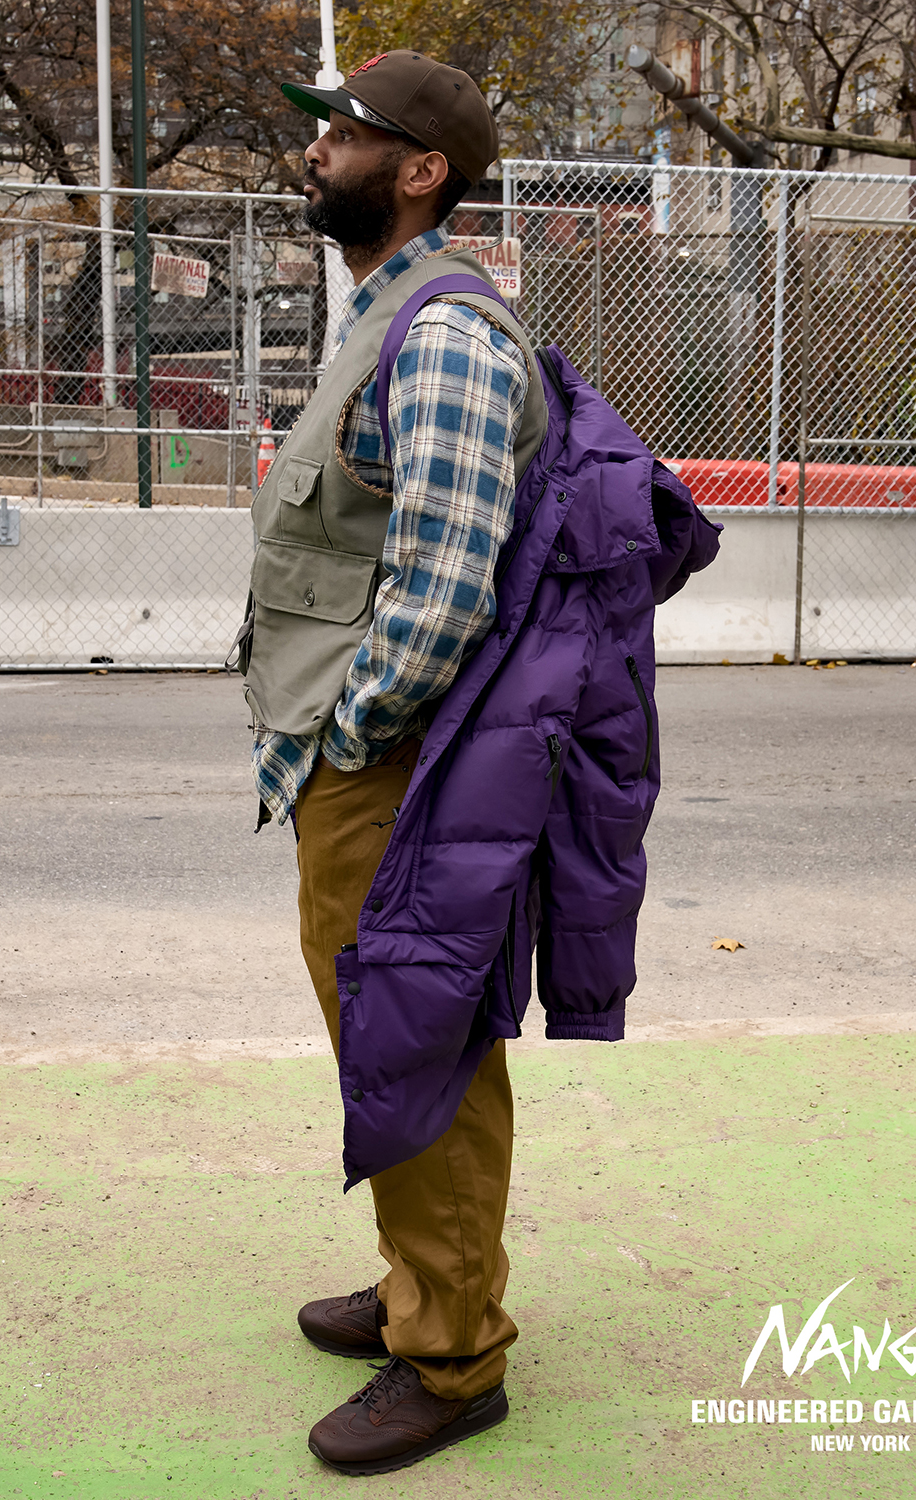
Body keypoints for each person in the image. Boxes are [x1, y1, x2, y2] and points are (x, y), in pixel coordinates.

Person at [248, 50, 546, 1476]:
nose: (318, 150)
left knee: (419, 1041)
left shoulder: (445, 337)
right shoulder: (387, 314)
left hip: (395, 764)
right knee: (393, 1033)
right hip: (367, 759)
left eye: (347, 134)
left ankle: (453, 1356)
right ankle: (425, 1282)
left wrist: (356, 731)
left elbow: (444, 580)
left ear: (421, 172)